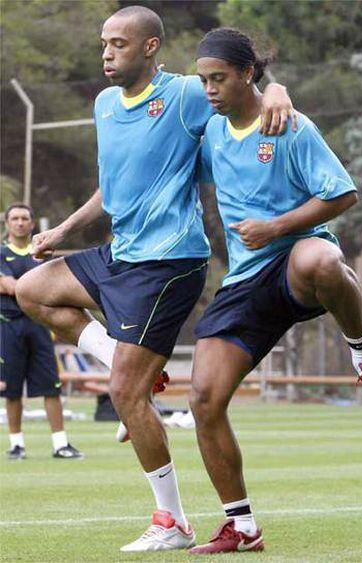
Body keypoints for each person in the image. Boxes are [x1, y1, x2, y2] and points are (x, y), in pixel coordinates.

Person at [15, 6, 296, 552]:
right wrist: (66, 228)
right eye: (103, 43)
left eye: (118, 43)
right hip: (121, 253)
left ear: (149, 48)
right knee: (32, 289)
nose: (106, 53)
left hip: (170, 262)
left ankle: (171, 521)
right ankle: (125, 361)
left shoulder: (187, 94)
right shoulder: (102, 104)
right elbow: (113, 187)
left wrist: (277, 88)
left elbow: (240, 84)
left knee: (124, 392)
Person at [188, 28, 362, 555]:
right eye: (203, 81)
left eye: (219, 78)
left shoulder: (291, 125)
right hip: (243, 284)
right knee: (202, 399)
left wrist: (276, 226)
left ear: (247, 74)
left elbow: (343, 194)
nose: (210, 90)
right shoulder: (212, 134)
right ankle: (241, 528)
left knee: (324, 257)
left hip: (294, 262)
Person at [0, 203, 83, 460]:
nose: (20, 223)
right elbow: (9, 286)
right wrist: (33, 286)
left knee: (51, 386)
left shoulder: (43, 253)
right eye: (15, 218)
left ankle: (60, 444)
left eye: (25, 218)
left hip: (41, 326)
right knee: (12, 389)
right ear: (7, 224)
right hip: (9, 326)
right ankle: (17, 445)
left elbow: (56, 286)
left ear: (32, 223)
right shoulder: (1, 253)